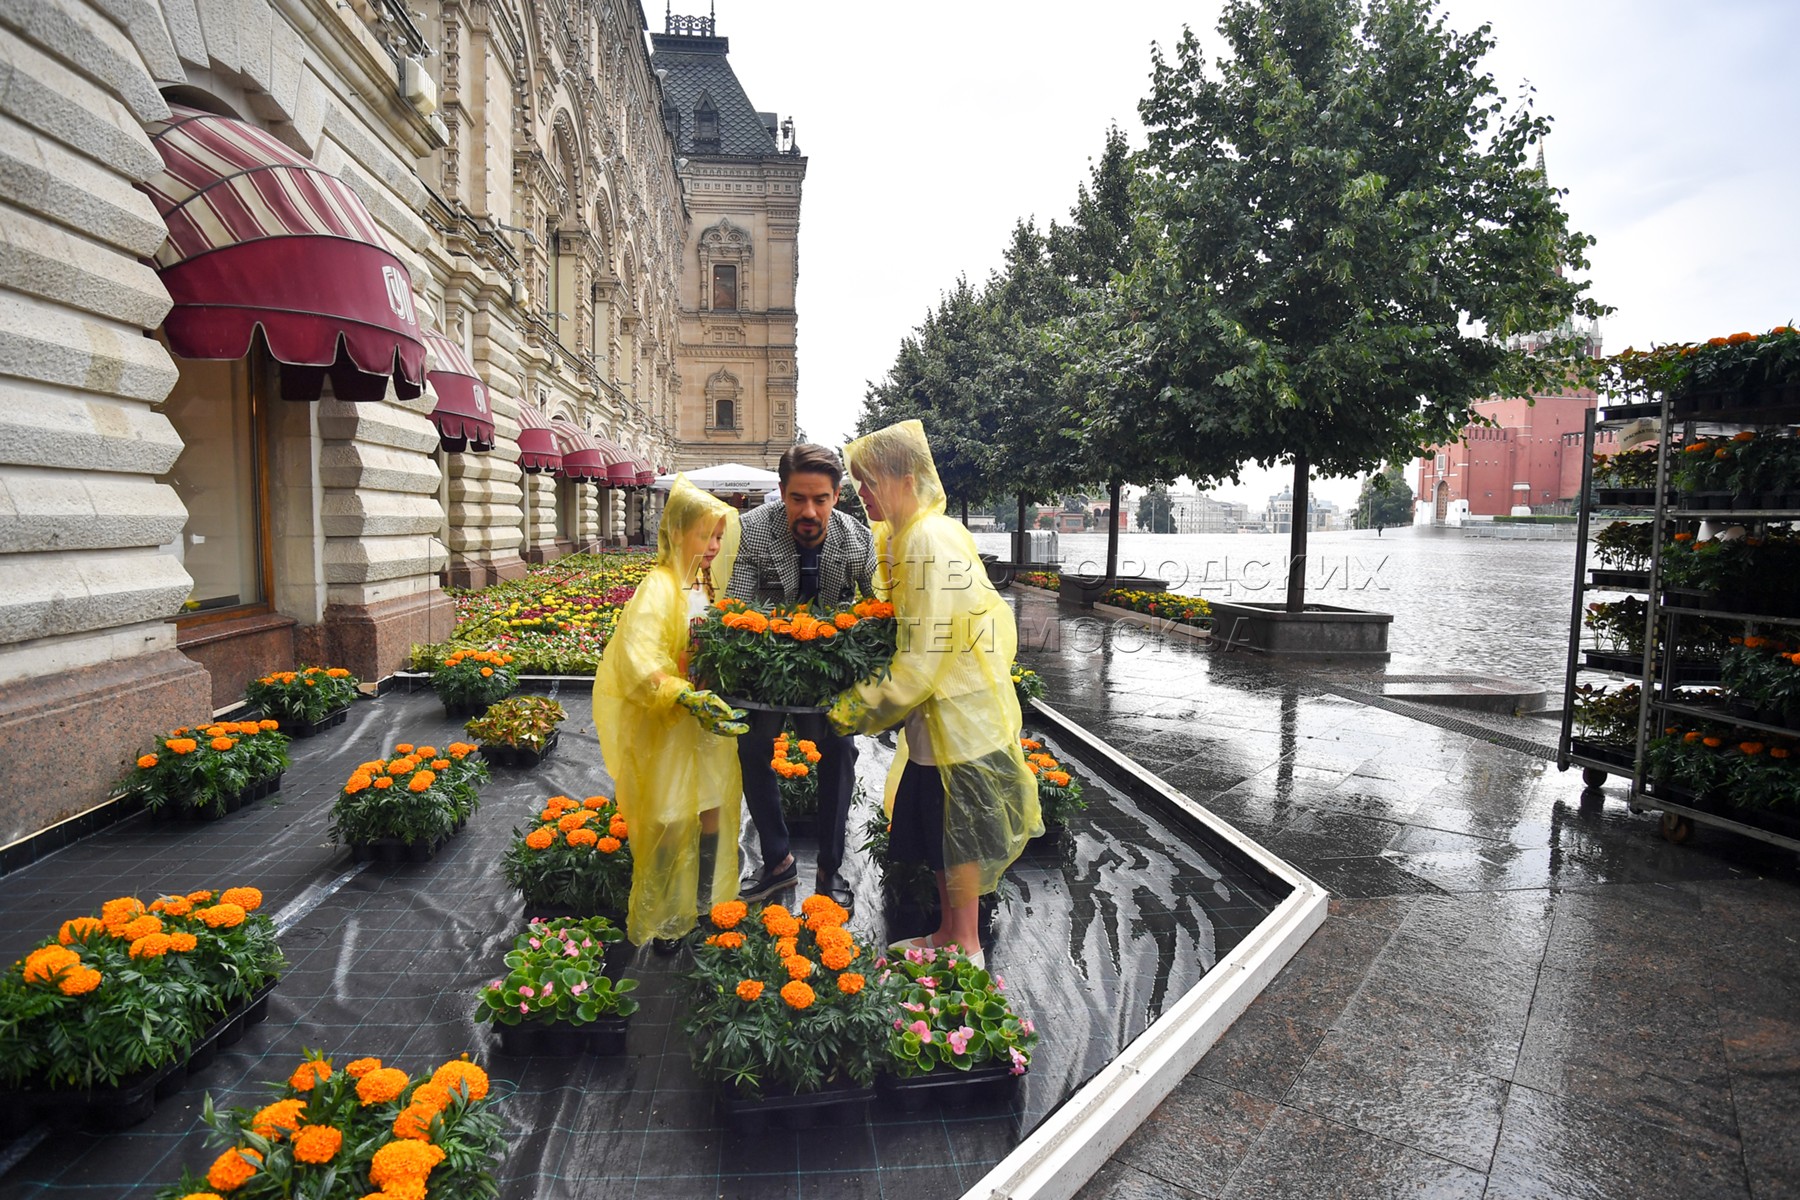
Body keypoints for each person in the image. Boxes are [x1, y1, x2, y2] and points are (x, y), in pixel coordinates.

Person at [826, 420, 1040, 969]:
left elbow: (924, 655)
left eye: (868, 482)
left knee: (960, 831)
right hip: (943, 717)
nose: (862, 495)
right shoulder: (917, 532)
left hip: (958, 717)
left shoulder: (926, 539)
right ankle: (947, 932)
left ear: (902, 476)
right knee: (946, 831)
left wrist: (856, 708)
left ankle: (964, 946)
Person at [593, 476, 749, 951]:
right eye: (706, 535)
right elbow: (639, 658)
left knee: (711, 811)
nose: (714, 546)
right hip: (669, 727)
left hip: (705, 728)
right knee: (669, 815)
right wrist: (681, 695)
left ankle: (701, 905)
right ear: (679, 533)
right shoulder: (657, 588)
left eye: (719, 536)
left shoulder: (702, 585)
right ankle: (666, 917)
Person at [726, 443, 878, 911]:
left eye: (820, 499)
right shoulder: (751, 531)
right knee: (751, 745)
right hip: (764, 661)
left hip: (831, 662)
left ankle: (831, 870)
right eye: (797, 499)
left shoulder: (858, 540)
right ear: (781, 493)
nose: (808, 511)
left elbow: (877, 611)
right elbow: (735, 608)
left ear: (837, 497)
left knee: (839, 750)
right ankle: (777, 862)